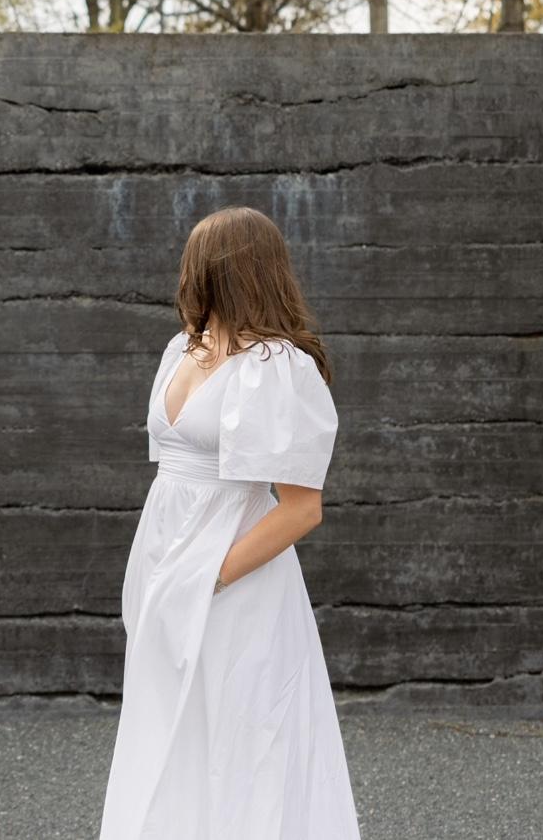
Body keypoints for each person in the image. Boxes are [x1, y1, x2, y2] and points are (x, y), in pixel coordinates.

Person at [99, 206, 361, 839]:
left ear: (228, 270)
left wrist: (208, 577)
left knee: (241, 732)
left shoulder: (278, 366)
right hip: (164, 556)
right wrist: (166, 576)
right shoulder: (181, 348)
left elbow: (302, 507)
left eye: (196, 262)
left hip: (234, 578)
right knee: (168, 728)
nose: (186, 274)